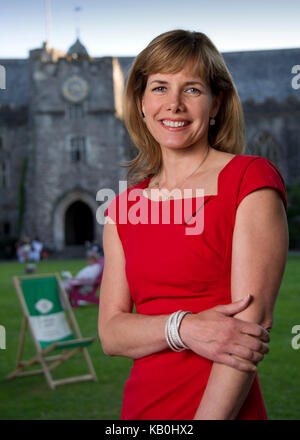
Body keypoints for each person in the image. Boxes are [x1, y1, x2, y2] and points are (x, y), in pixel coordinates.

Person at [98, 30, 289, 420]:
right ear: (140, 102)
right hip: (141, 410)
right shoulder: (122, 209)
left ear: (216, 103)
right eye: (160, 87)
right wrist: (182, 327)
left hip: (219, 409)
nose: (174, 104)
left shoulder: (249, 180)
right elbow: (111, 333)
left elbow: (249, 327)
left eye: (193, 90)